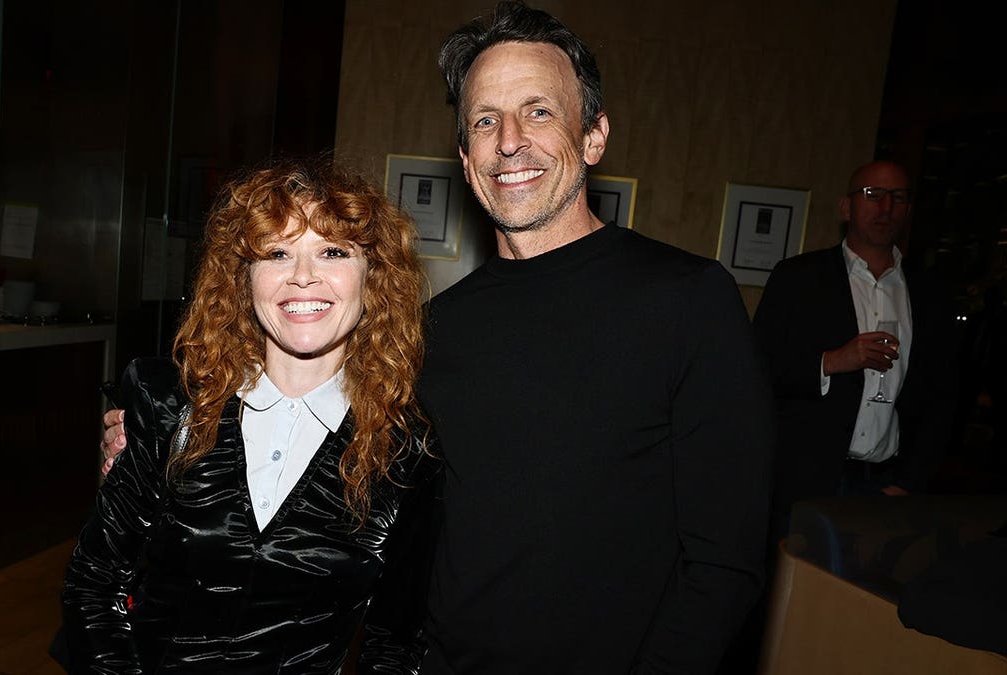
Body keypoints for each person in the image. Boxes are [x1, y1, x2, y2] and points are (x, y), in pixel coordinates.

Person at [104, 3, 772, 673]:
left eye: (538, 111)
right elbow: (313, 411)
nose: (510, 140)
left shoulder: (686, 300)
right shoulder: (430, 330)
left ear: (594, 135)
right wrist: (165, 434)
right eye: (485, 120)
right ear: (464, 154)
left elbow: (725, 561)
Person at [64, 158, 440, 674]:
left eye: (332, 251)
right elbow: (95, 583)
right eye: (277, 253)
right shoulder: (171, 407)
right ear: (244, 279)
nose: (303, 276)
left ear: (372, 278)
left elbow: (395, 642)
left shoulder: (406, 450)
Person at [752, 160, 958, 534]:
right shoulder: (798, 278)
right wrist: (832, 361)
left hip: (885, 485)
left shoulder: (930, 293)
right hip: (805, 482)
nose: (885, 208)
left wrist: (911, 480)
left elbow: (942, 397)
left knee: (865, 594)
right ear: (847, 207)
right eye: (873, 195)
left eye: (897, 198)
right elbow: (756, 370)